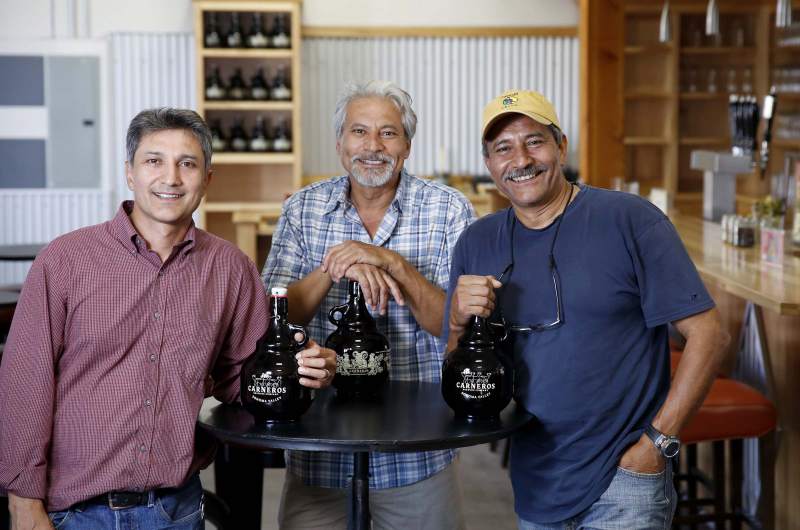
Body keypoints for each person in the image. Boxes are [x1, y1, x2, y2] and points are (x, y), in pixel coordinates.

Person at [0, 108, 336, 529]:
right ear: (130, 172)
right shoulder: (66, 261)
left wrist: (301, 367)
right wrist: (23, 502)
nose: (171, 178)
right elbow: (24, 384)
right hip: (75, 512)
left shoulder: (230, 268)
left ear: (207, 178)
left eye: (188, 163)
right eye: (154, 161)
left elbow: (244, 378)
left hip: (175, 509)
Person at [444, 90, 730, 529]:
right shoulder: (477, 242)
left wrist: (656, 445)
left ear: (560, 147)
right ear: (489, 165)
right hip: (536, 478)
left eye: (534, 141)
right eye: (503, 148)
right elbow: (455, 363)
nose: (520, 159)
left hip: (626, 476)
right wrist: (459, 320)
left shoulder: (630, 220)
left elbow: (709, 334)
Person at [263, 80, 475, 529]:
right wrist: (337, 264)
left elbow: (452, 325)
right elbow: (276, 317)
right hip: (319, 446)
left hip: (419, 450)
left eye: (388, 133)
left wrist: (391, 262)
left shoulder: (448, 209)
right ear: (340, 144)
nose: (372, 146)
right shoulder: (302, 208)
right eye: (359, 132)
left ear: (407, 145)